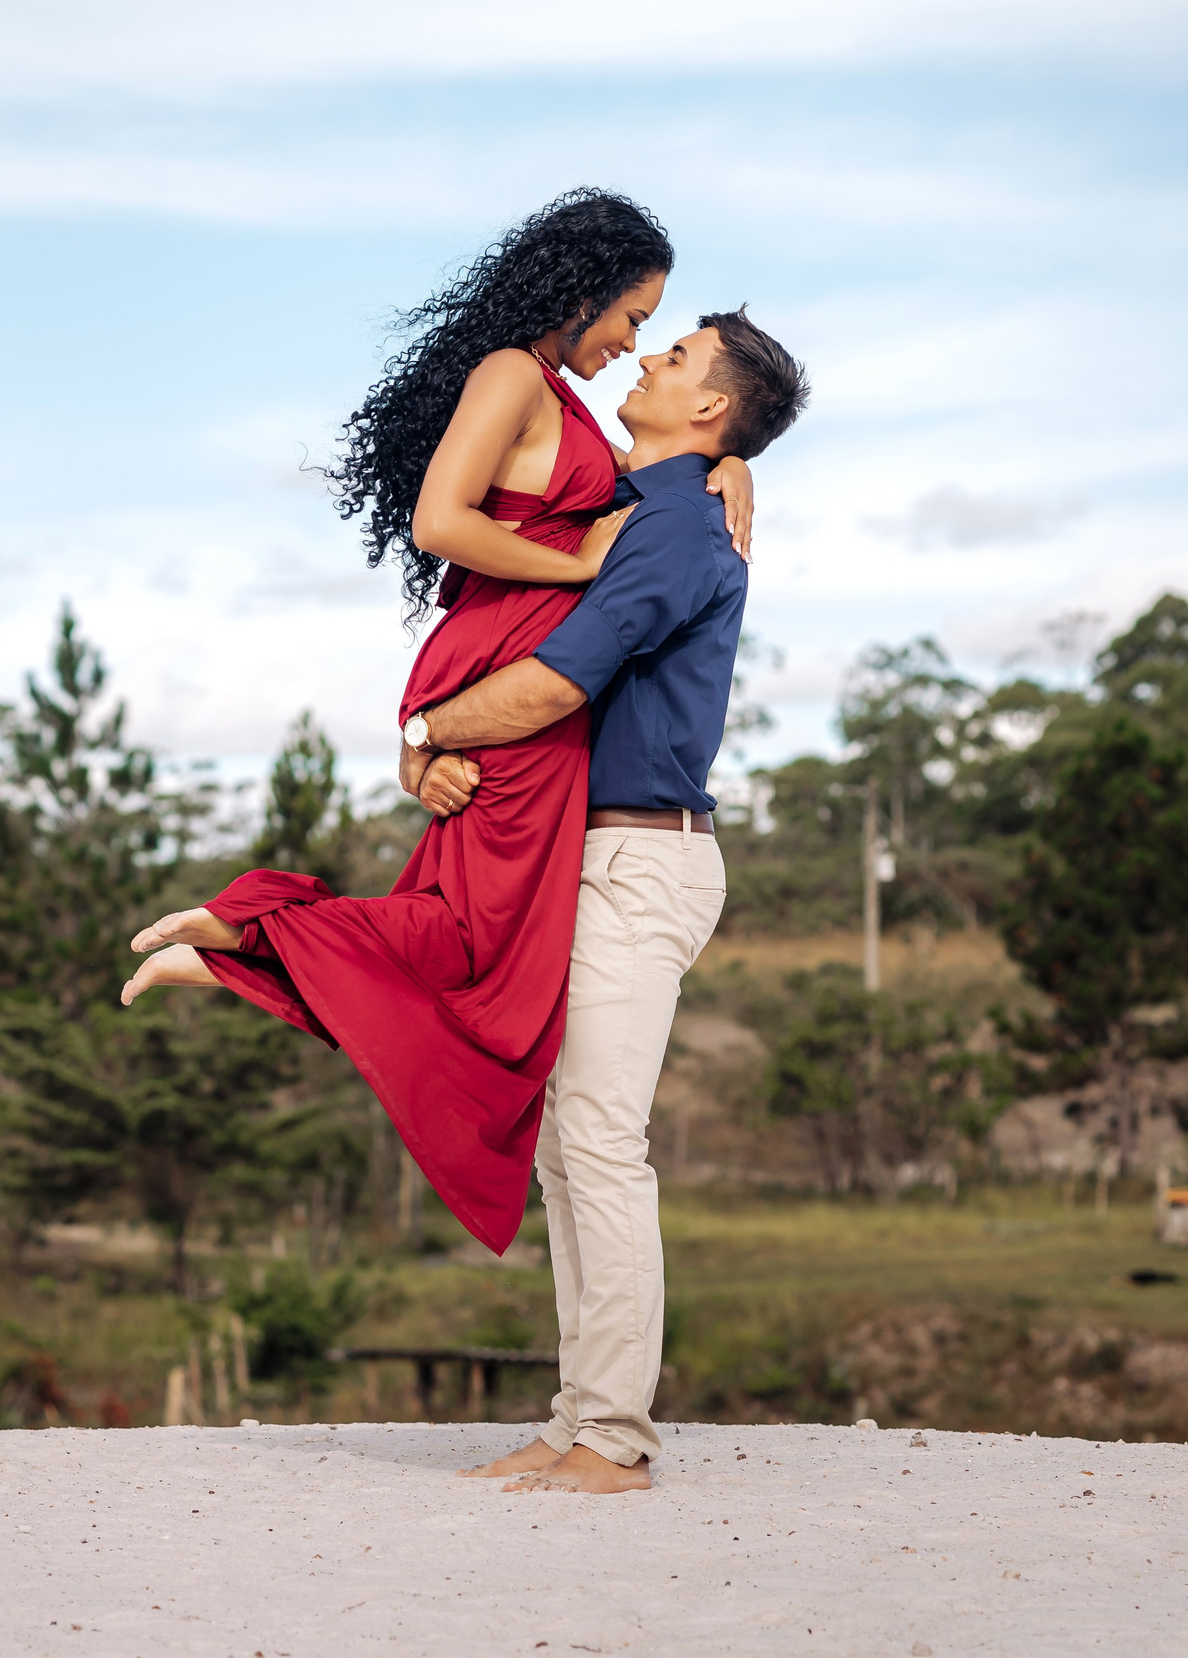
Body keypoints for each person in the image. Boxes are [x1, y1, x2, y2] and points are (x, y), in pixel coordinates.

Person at [119, 190, 754, 1258]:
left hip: (508, 666)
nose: (634, 343)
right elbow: (441, 522)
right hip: (509, 664)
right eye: (634, 319)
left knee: (475, 930)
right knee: (478, 942)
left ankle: (241, 955)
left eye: (654, 333)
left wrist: (729, 465)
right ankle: (244, 936)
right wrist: (574, 568)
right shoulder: (512, 373)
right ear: (583, 288)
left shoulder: (560, 398)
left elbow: (647, 489)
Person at [419, 309, 808, 1493]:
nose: (646, 354)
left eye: (675, 353)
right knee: (568, 1149)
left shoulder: (678, 531)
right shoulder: (653, 509)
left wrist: (425, 729)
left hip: (640, 861)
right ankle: (579, 1416)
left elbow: (550, 688)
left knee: (597, 1141)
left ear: (707, 411)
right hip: (588, 855)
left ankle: (615, 1439)